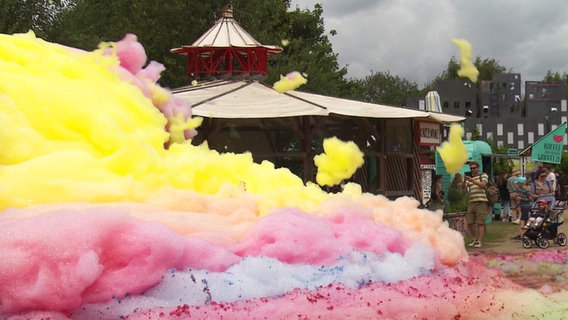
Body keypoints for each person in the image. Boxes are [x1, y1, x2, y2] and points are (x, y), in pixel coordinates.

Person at [464, 161, 488, 248]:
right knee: (470, 222)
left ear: (478, 168)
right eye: (471, 168)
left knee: (480, 222)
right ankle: (474, 239)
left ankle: (479, 241)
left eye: (474, 168)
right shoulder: (470, 179)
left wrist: (472, 180)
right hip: (471, 201)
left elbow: (483, 185)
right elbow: (464, 189)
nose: (473, 170)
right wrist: (464, 182)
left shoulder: (483, 175)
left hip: (481, 201)